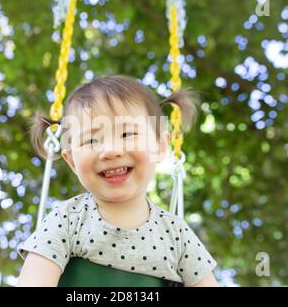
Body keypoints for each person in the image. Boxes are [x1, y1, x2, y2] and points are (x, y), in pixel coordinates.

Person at [17, 75, 218, 287]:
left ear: (159, 146)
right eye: (92, 140)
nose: (111, 151)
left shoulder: (176, 234)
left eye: (127, 133)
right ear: (72, 161)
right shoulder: (67, 220)